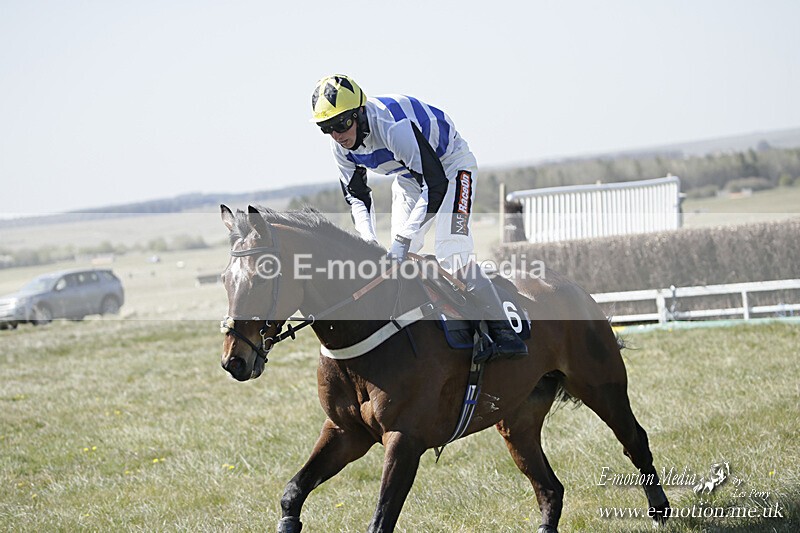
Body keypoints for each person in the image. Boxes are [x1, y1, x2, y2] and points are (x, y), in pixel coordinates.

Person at [311, 74, 527, 358]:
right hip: (410, 177)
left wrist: (402, 238)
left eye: (342, 123)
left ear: (360, 113)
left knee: (452, 253)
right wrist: (369, 241)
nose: (338, 134)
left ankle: (505, 333)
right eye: (327, 128)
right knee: (393, 262)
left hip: (450, 167)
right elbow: (358, 197)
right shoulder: (339, 146)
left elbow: (436, 186)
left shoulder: (391, 126)